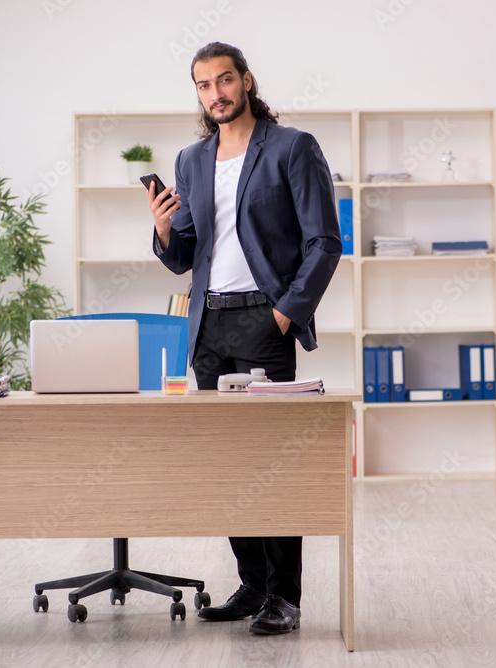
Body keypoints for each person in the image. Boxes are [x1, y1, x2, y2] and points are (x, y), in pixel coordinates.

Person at [148, 42, 341, 635]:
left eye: (224, 80)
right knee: (229, 462)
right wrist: (161, 230)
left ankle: (285, 596)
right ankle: (253, 585)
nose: (216, 94)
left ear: (247, 81)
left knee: (272, 464)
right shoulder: (190, 159)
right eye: (204, 86)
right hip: (206, 326)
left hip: (265, 318)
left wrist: (284, 313)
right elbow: (187, 254)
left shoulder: (292, 147)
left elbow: (324, 242)